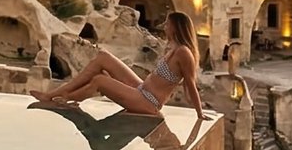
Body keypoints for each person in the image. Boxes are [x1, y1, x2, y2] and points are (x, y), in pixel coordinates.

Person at [34, 11, 206, 124]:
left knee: (100, 80)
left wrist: (200, 114)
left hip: (148, 101)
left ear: (177, 27)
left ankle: (65, 98)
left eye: (168, 24)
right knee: (104, 57)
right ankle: (59, 94)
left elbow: (190, 84)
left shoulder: (184, 53)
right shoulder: (173, 47)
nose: (164, 26)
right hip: (141, 88)